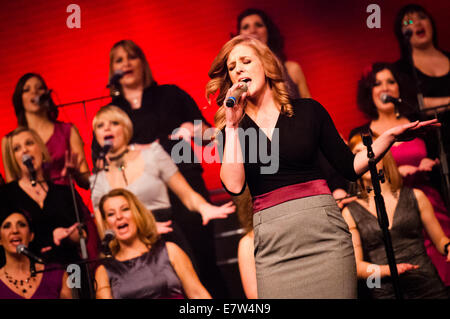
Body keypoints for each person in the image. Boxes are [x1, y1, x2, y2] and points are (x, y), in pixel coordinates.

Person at [207, 34, 439, 298]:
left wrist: (388, 138)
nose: (238, 68)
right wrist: (234, 125)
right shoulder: (233, 129)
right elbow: (235, 185)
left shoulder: (309, 111)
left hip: (324, 234)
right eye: (232, 66)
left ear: (266, 65)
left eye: (246, 61)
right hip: (274, 244)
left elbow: (350, 166)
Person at [91, 39, 229, 298]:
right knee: (154, 270)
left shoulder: (171, 94)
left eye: (132, 57)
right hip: (142, 200)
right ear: (113, 70)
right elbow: (101, 161)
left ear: (143, 62)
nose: (127, 63)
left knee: (202, 261)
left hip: (185, 187)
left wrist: (196, 131)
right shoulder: (109, 113)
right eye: (119, 59)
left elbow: (212, 135)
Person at [90, 105, 235, 282]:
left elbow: (187, 195)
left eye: (114, 123)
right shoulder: (97, 180)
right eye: (100, 125)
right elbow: (105, 231)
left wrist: (204, 207)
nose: (107, 128)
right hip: (128, 252)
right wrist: (144, 229)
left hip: (165, 240)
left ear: (126, 127)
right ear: (96, 135)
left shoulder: (153, 154)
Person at [349, 62, 450, 287]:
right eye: (377, 83)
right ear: (369, 92)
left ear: (399, 87)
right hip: (389, 204)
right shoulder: (364, 135)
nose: (385, 87)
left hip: (426, 199)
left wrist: (430, 161)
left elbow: (439, 154)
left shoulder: (417, 122)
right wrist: (398, 172)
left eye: (390, 82)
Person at [342, 134, 449, 299]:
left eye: (371, 150)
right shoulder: (350, 212)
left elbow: (440, 240)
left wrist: (448, 248)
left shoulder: (416, 196)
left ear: (384, 154)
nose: (368, 157)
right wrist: (387, 270)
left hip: (427, 285)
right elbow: (356, 266)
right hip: (383, 290)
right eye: (359, 152)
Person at [95, 188, 212, 299]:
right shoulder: (104, 271)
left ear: (137, 213)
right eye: (111, 214)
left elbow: (198, 294)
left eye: (125, 209)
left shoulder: (170, 251)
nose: (119, 216)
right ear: (106, 224)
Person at [0, 127, 88, 266]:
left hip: (72, 270)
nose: (25, 150)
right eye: (17, 148)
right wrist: (48, 238)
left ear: (40, 148)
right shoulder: (6, 196)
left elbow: (82, 232)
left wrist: (73, 235)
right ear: (13, 158)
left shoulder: (63, 192)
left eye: (29, 143)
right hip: (31, 274)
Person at [2, 73, 90, 189]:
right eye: (27, 90)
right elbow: (11, 188)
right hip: (33, 205)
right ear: (20, 98)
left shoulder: (67, 131)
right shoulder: (10, 140)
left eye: (39, 88)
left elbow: (86, 182)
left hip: (67, 201)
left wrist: (76, 174)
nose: (34, 92)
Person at [236, 8, 311, 99]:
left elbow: (310, 108)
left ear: (268, 31)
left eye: (259, 25)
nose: (252, 30)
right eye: (246, 27)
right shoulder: (238, 74)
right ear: (239, 35)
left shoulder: (292, 69)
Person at [0, 207, 72, 299]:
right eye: (7, 226)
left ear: (31, 236)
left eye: (21, 225)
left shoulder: (56, 273)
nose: (15, 231)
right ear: (0, 240)